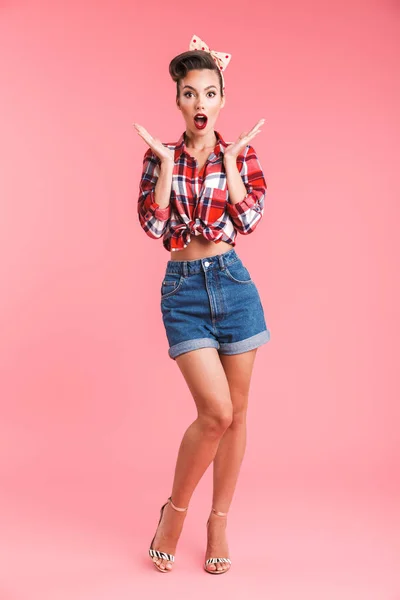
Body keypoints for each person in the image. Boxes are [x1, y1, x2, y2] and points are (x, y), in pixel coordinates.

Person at [133, 34, 271, 575]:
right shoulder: (158, 156)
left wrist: (233, 163)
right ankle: (175, 512)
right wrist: (167, 168)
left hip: (234, 285)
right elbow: (153, 225)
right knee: (215, 412)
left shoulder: (242, 153)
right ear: (178, 101)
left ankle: (218, 521)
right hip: (184, 290)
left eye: (209, 93)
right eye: (189, 94)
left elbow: (250, 221)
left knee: (237, 417)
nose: (199, 104)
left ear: (221, 100)